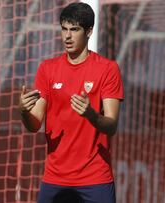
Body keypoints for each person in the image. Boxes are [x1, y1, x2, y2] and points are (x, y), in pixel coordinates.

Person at [19, 2, 123, 203]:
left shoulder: (108, 69)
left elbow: (111, 125)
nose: (67, 36)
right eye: (64, 29)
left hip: (95, 177)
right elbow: (35, 124)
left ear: (89, 31)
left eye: (74, 30)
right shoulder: (47, 69)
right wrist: (23, 111)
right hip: (55, 178)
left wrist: (91, 114)